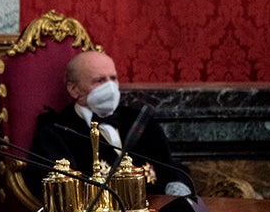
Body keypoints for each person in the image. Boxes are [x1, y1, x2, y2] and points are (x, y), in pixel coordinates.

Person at [28, 50, 192, 198]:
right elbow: (61, 190)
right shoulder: (56, 131)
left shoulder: (139, 120)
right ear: (74, 89)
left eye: (113, 78)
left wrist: (178, 185)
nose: (110, 87)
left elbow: (170, 167)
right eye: (99, 80)